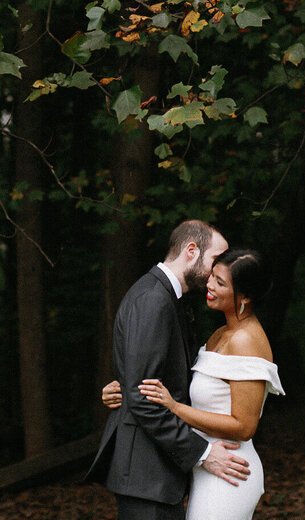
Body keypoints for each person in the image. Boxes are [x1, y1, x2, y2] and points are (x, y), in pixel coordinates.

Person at [85, 220, 250, 520]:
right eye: (216, 260)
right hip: (146, 476)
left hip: (155, 474)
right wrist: (202, 453)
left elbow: (149, 382)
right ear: (191, 251)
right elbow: (143, 399)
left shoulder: (167, 297)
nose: (219, 271)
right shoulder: (153, 299)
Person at [105, 247, 284, 520]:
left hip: (231, 470)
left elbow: (245, 426)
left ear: (245, 296)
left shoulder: (246, 341)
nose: (209, 285)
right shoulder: (222, 333)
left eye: (221, 283)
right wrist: (124, 387)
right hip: (206, 469)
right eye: (212, 276)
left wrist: (175, 408)